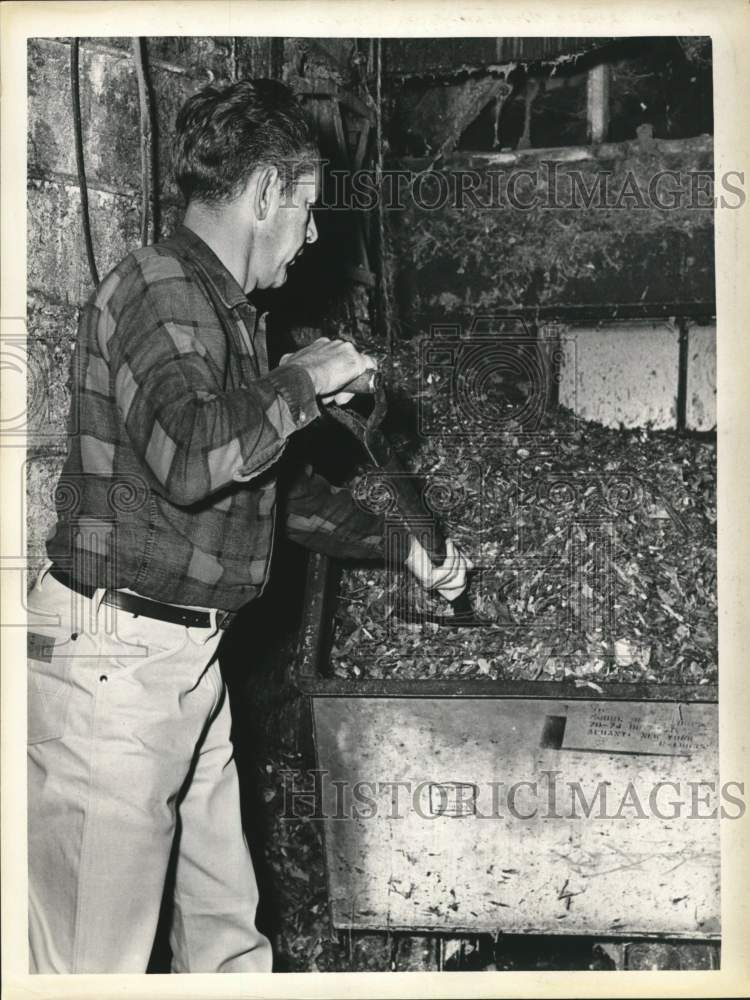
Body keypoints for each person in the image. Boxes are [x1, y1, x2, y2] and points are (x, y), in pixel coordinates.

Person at [27, 78, 471, 974]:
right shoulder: (158, 286)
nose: (312, 236)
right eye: (305, 209)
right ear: (264, 192)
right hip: (118, 666)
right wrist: (303, 380)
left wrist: (403, 548)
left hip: (183, 664)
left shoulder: (230, 318)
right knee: (91, 962)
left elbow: (273, 496)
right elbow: (193, 459)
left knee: (227, 938)